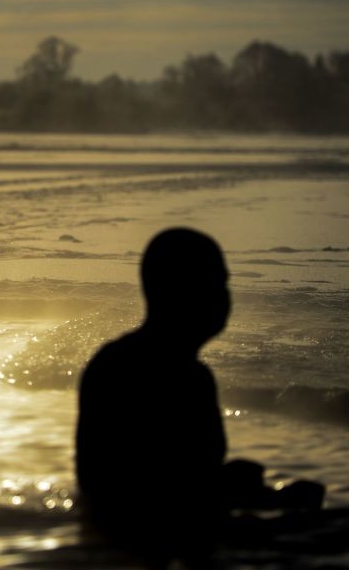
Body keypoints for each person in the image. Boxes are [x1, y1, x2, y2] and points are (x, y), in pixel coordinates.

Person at [75, 228, 324, 565]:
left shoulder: (183, 372)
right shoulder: (141, 370)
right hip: (136, 542)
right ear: (177, 291)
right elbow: (142, 491)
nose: (225, 298)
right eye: (216, 284)